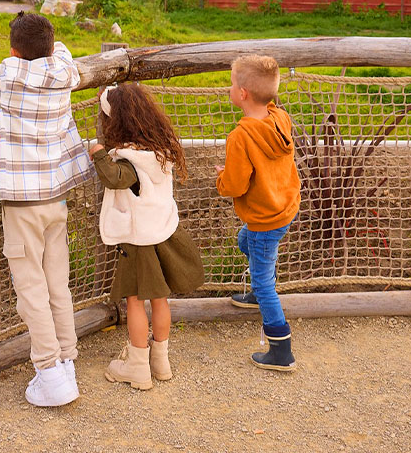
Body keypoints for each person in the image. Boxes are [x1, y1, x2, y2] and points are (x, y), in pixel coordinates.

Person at [0, 12, 93, 407]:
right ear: (49, 47)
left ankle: (49, 372)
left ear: (13, 51)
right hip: (56, 198)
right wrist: (47, 48)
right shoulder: (65, 71)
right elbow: (60, 51)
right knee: (57, 286)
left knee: (30, 288)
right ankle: (67, 361)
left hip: (22, 201)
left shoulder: (5, 77)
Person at [90, 83, 204, 390]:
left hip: (139, 242)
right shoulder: (159, 152)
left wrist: (99, 155)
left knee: (136, 301)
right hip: (162, 233)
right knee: (159, 299)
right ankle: (161, 362)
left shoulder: (129, 161)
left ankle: (138, 367)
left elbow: (115, 179)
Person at [215, 55, 301, 371]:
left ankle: (281, 349)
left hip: (266, 217)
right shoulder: (280, 117)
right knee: (245, 242)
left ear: (243, 94)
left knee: (264, 281)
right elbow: (257, 167)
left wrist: (222, 177)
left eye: (232, 83)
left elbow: (235, 185)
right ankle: (258, 291)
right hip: (285, 205)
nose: (230, 87)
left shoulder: (240, 136)